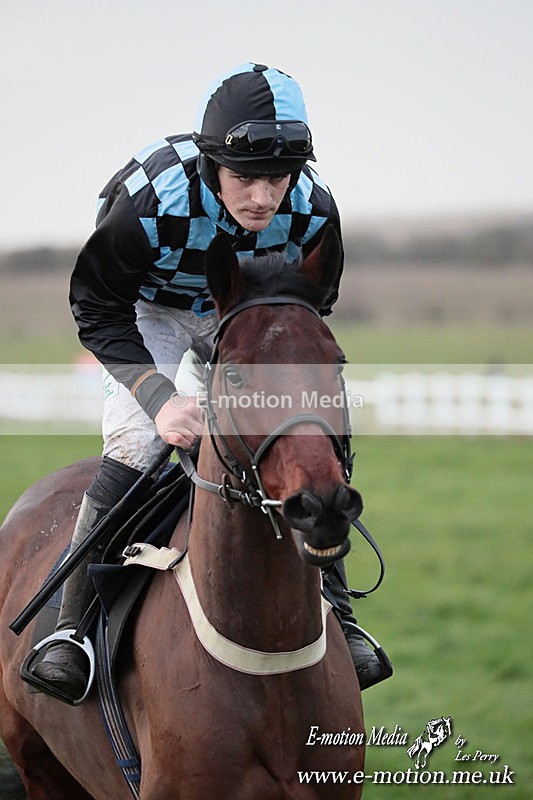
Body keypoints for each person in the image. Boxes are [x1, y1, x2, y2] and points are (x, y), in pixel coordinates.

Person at [29, 62, 390, 701]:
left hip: (246, 305)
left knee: (302, 434)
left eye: (277, 180)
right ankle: (71, 629)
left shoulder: (313, 211)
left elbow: (310, 307)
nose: (261, 197)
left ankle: (341, 611)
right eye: (245, 179)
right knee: (141, 443)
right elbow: (97, 307)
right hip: (148, 307)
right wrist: (160, 398)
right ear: (211, 164)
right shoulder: (150, 202)